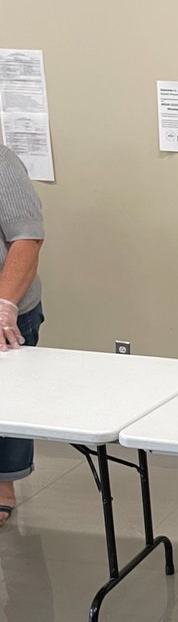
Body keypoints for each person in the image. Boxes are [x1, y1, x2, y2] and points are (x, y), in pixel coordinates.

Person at [0, 144, 45, 528]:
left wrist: (4, 304)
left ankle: (3, 485)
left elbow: (27, 239)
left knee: (7, 406)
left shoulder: (1, 162)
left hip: (8, 309)